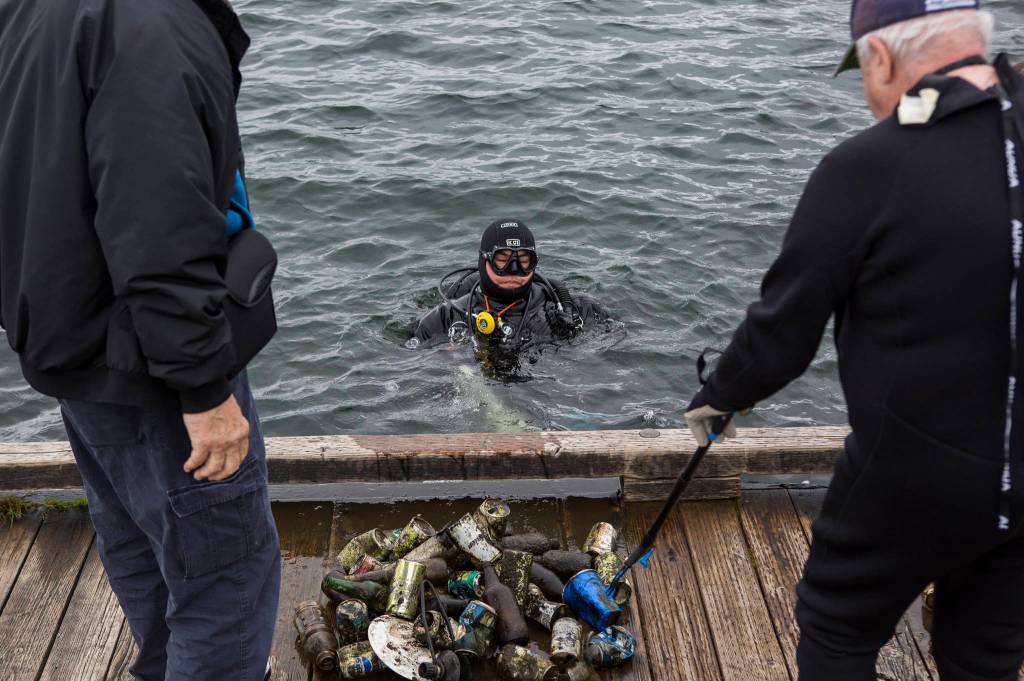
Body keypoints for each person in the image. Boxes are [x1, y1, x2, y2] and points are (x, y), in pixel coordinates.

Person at [684, 1, 1024, 678]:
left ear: (882, 57)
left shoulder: (868, 165)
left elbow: (783, 329)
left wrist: (717, 399)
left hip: (915, 472)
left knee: (837, 621)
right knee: (985, 653)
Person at [0, 1, 280, 680]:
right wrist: (204, 387)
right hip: (148, 361)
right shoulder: (148, 25)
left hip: (72, 345)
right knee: (226, 579)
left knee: (142, 542)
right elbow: (161, 229)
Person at [412, 219, 609, 352]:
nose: (513, 269)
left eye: (524, 260)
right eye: (502, 259)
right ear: (484, 260)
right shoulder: (445, 318)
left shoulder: (576, 309)